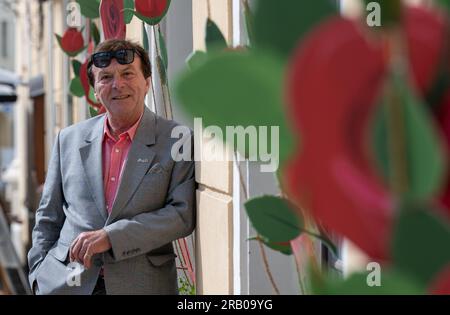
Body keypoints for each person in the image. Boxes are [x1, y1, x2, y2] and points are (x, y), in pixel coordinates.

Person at [27, 39, 196, 295]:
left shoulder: (176, 139)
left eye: (128, 73)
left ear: (147, 82)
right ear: (96, 89)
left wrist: (111, 237)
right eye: (105, 77)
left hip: (142, 286)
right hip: (67, 285)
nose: (118, 85)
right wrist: (38, 275)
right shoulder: (68, 139)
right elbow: (48, 217)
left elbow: (181, 216)